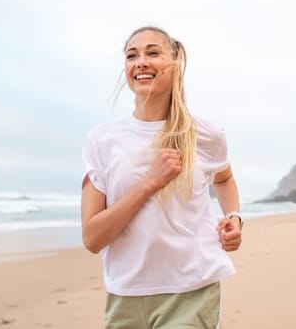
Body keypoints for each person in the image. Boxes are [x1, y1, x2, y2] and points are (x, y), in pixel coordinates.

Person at [80, 26, 243, 329]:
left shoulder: (206, 134)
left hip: (192, 289)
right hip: (125, 294)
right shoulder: (101, 140)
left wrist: (233, 216)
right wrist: (149, 183)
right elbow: (92, 238)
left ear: (176, 61)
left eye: (152, 52)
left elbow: (224, 178)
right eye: (132, 55)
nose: (140, 61)